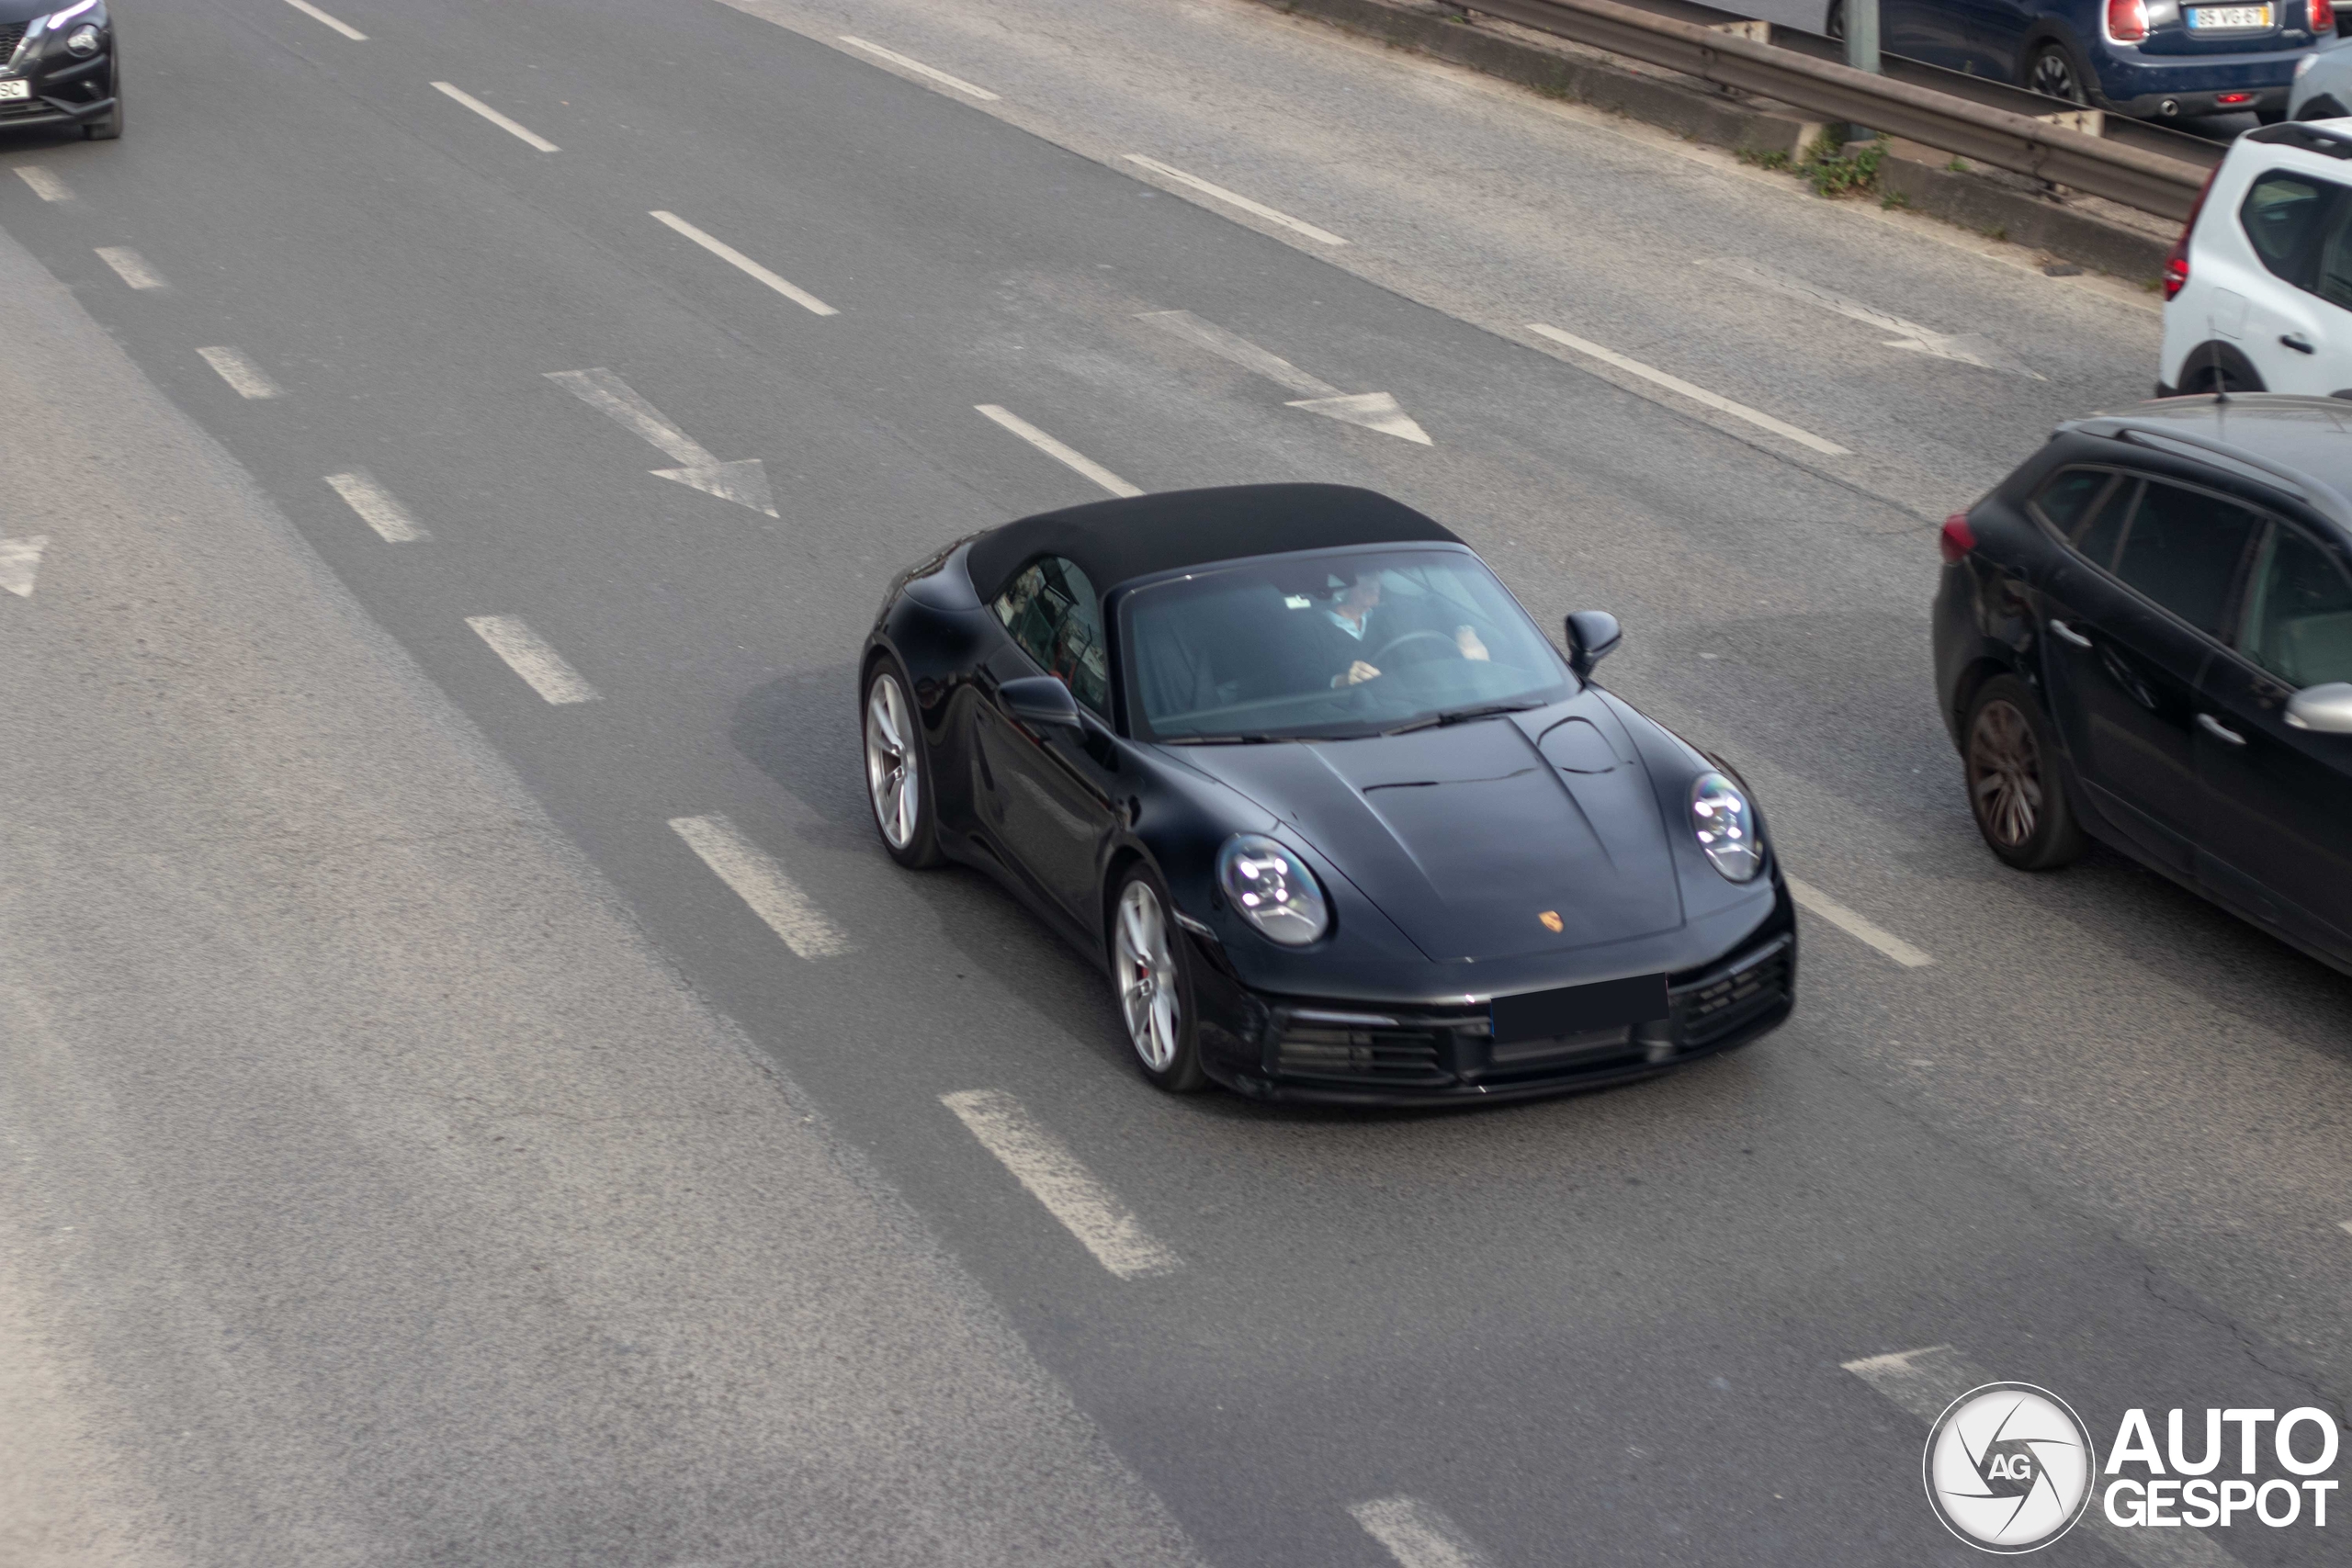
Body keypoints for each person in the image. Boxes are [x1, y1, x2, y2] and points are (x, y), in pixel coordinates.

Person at [1313, 570, 1490, 687]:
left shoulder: (1393, 608)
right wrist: (1343, 681)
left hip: (1421, 704)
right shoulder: (1309, 630)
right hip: (1353, 718)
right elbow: (1300, 685)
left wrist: (1466, 632)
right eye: (1367, 588)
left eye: (1376, 574)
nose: (1375, 600)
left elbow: (1443, 606)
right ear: (1338, 587)